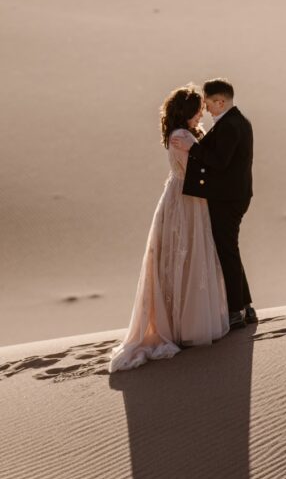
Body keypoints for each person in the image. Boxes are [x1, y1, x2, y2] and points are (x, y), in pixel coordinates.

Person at [108, 85, 229, 373]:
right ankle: (181, 326)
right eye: (198, 108)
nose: (202, 112)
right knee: (183, 256)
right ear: (188, 111)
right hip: (185, 201)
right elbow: (198, 170)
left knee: (187, 257)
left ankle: (185, 322)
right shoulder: (181, 136)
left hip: (188, 199)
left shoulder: (186, 134)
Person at [171, 78, 256, 329]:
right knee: (230, 250)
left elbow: (219, 161)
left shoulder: (230, 125)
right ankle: (246, 307)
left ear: (220, 101)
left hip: (228, 198)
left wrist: (191, 147)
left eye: (208, 104)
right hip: (234, 195)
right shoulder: (235, 121)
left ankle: (234, 311)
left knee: (226, 251)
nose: (205, 110)